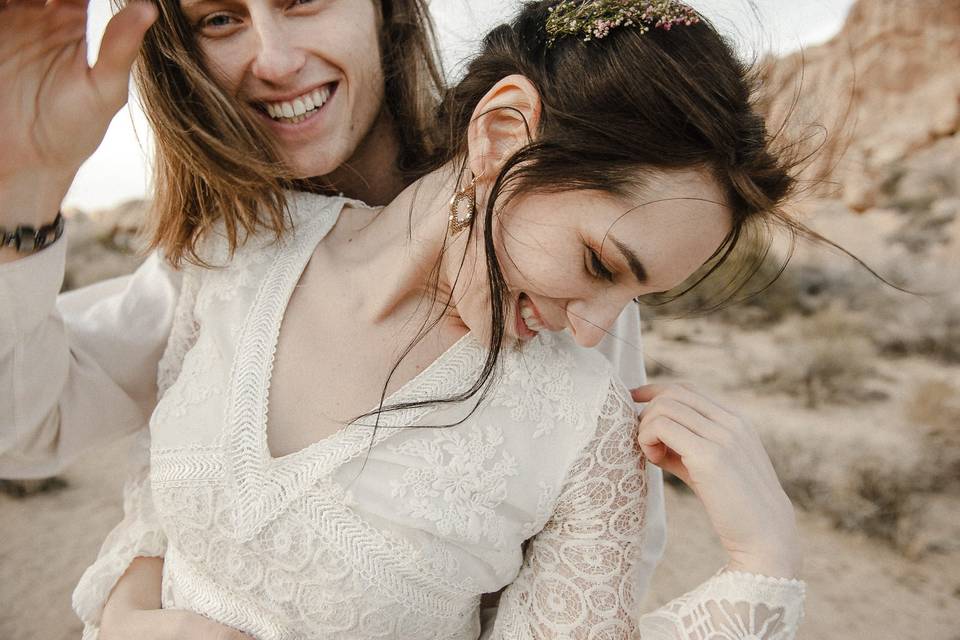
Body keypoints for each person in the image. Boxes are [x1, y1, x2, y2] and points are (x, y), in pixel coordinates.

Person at [0, 0, 807, 638]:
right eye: (221, 17)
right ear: (498, 131)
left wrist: (761, 570)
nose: (274, 59)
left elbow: (602, 587)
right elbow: (56, 438)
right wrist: (124, 608)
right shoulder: (232, 249)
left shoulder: (569, 365)